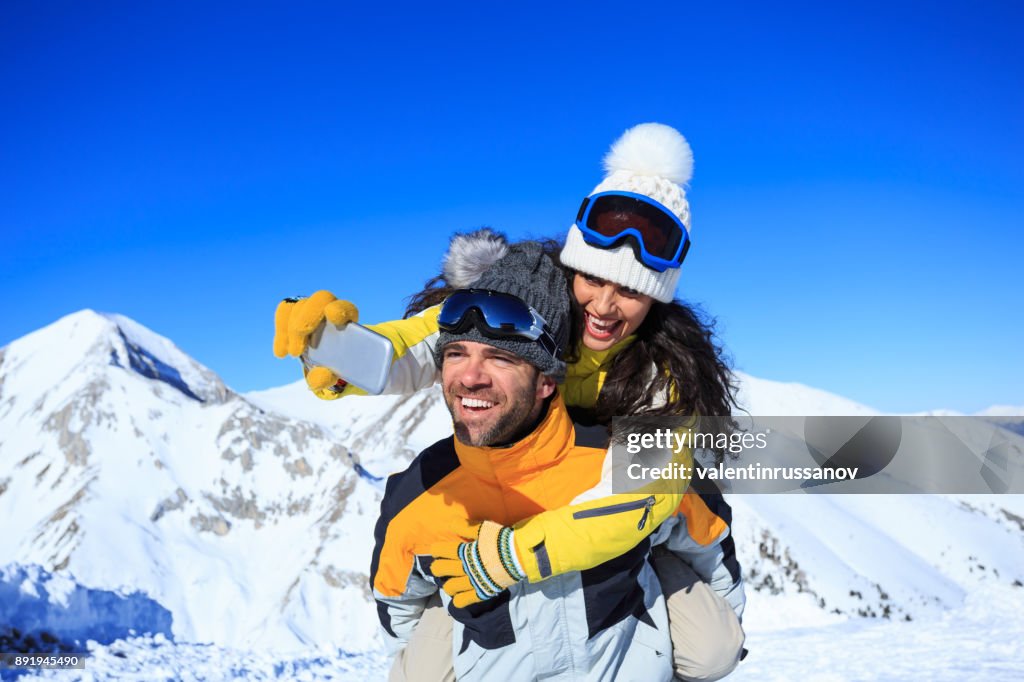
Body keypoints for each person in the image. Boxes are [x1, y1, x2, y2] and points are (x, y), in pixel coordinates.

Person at [274, 123, 745, 680]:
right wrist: (337, 352)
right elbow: (434, 338)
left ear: (656, 300)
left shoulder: (663, 375)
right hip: (510, 466)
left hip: (608, 492)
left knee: (706, 634)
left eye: (632, 291)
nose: (605, 304)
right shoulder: (529, 302)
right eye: (593, 278)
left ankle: (647, 587)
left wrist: (511, 558)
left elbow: (642, 494)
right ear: (574, 266)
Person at [373, 242, 695, 681]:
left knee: (711, 647)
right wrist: (340, 354)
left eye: (501, 357)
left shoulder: (644, 412)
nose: (470, 376)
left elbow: (683, 515)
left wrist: (512, 556)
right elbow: (398, 615)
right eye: (456, 354)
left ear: (547, 382)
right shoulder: (421, 491)